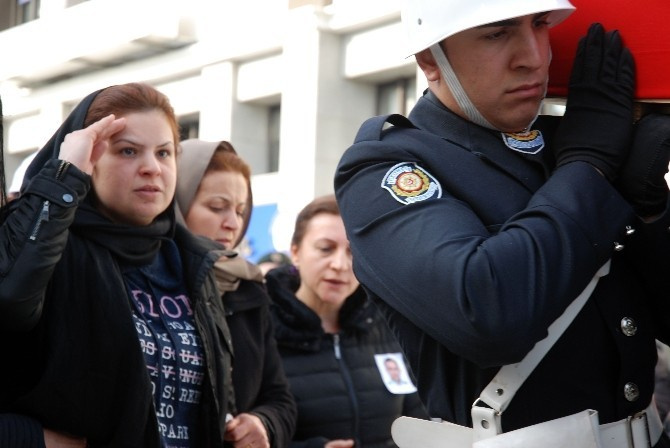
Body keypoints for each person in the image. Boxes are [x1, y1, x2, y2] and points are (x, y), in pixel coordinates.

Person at [334, 0, 670, 446]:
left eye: (541, 24)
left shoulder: (564, 144)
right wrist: (588, 170)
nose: (533, 56)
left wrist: (649, 214)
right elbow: (486, 312)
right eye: (497, 33)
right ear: (430, 58)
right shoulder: (386, 166)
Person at [0, 83, 236, 447]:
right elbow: (9, 299)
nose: (151, 168)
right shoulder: (45, 244)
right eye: (127, 151)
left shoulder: (191, 261)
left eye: (164, 152)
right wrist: (64, 177)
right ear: (87, 160)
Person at [264, 194, 428, 448]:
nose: (339, 264)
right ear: (295, 252)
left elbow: (419, 421)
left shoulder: (385, 324)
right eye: (325, 248)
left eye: (352, 252)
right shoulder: (263, 329)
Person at [175, 138, 297, 448]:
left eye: (241, 211)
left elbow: (280, 398)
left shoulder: (248, 288)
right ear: (176, 203)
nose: (232, 223)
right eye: (217, 207)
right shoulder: (151, 284)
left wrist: (262, 424)